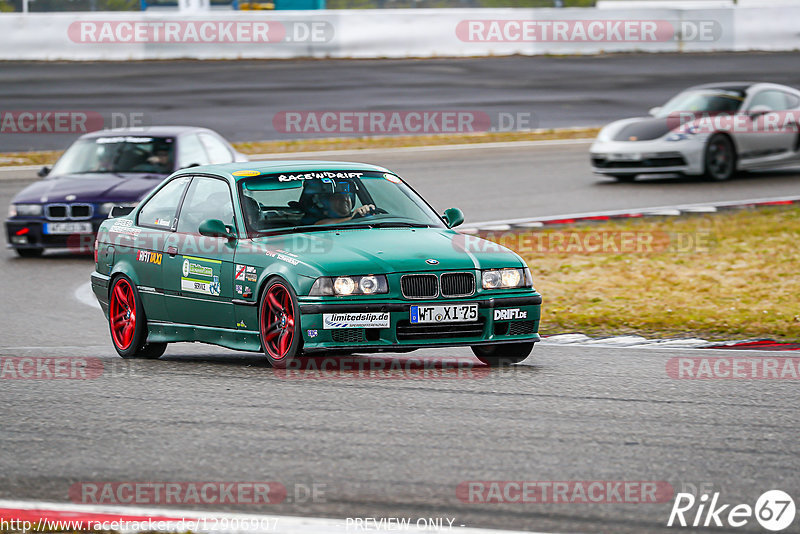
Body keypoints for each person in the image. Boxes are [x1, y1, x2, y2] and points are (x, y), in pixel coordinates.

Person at [299, 180, 375, 225]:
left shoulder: (358, 215)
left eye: (347, 196)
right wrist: (353, 218)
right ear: (324, 202)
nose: (345, 199)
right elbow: (320, 225)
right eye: (339, 197)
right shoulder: (312, 220)